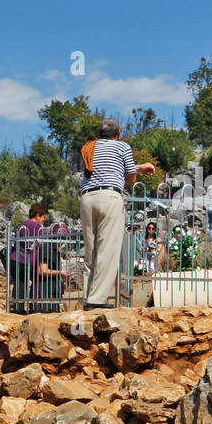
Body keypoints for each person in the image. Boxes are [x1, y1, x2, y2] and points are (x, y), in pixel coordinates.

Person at [79, 118, 157, 309]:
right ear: (118, 133)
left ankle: (88, 297)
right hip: (109, 197)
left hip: (87, 198)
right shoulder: (122, 147)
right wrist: (137, 170)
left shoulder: (90, 147)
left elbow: (105, 169)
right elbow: (130, 178)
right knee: (107, 250)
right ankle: (97, 300)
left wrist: (137, 167)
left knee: (91, 252)